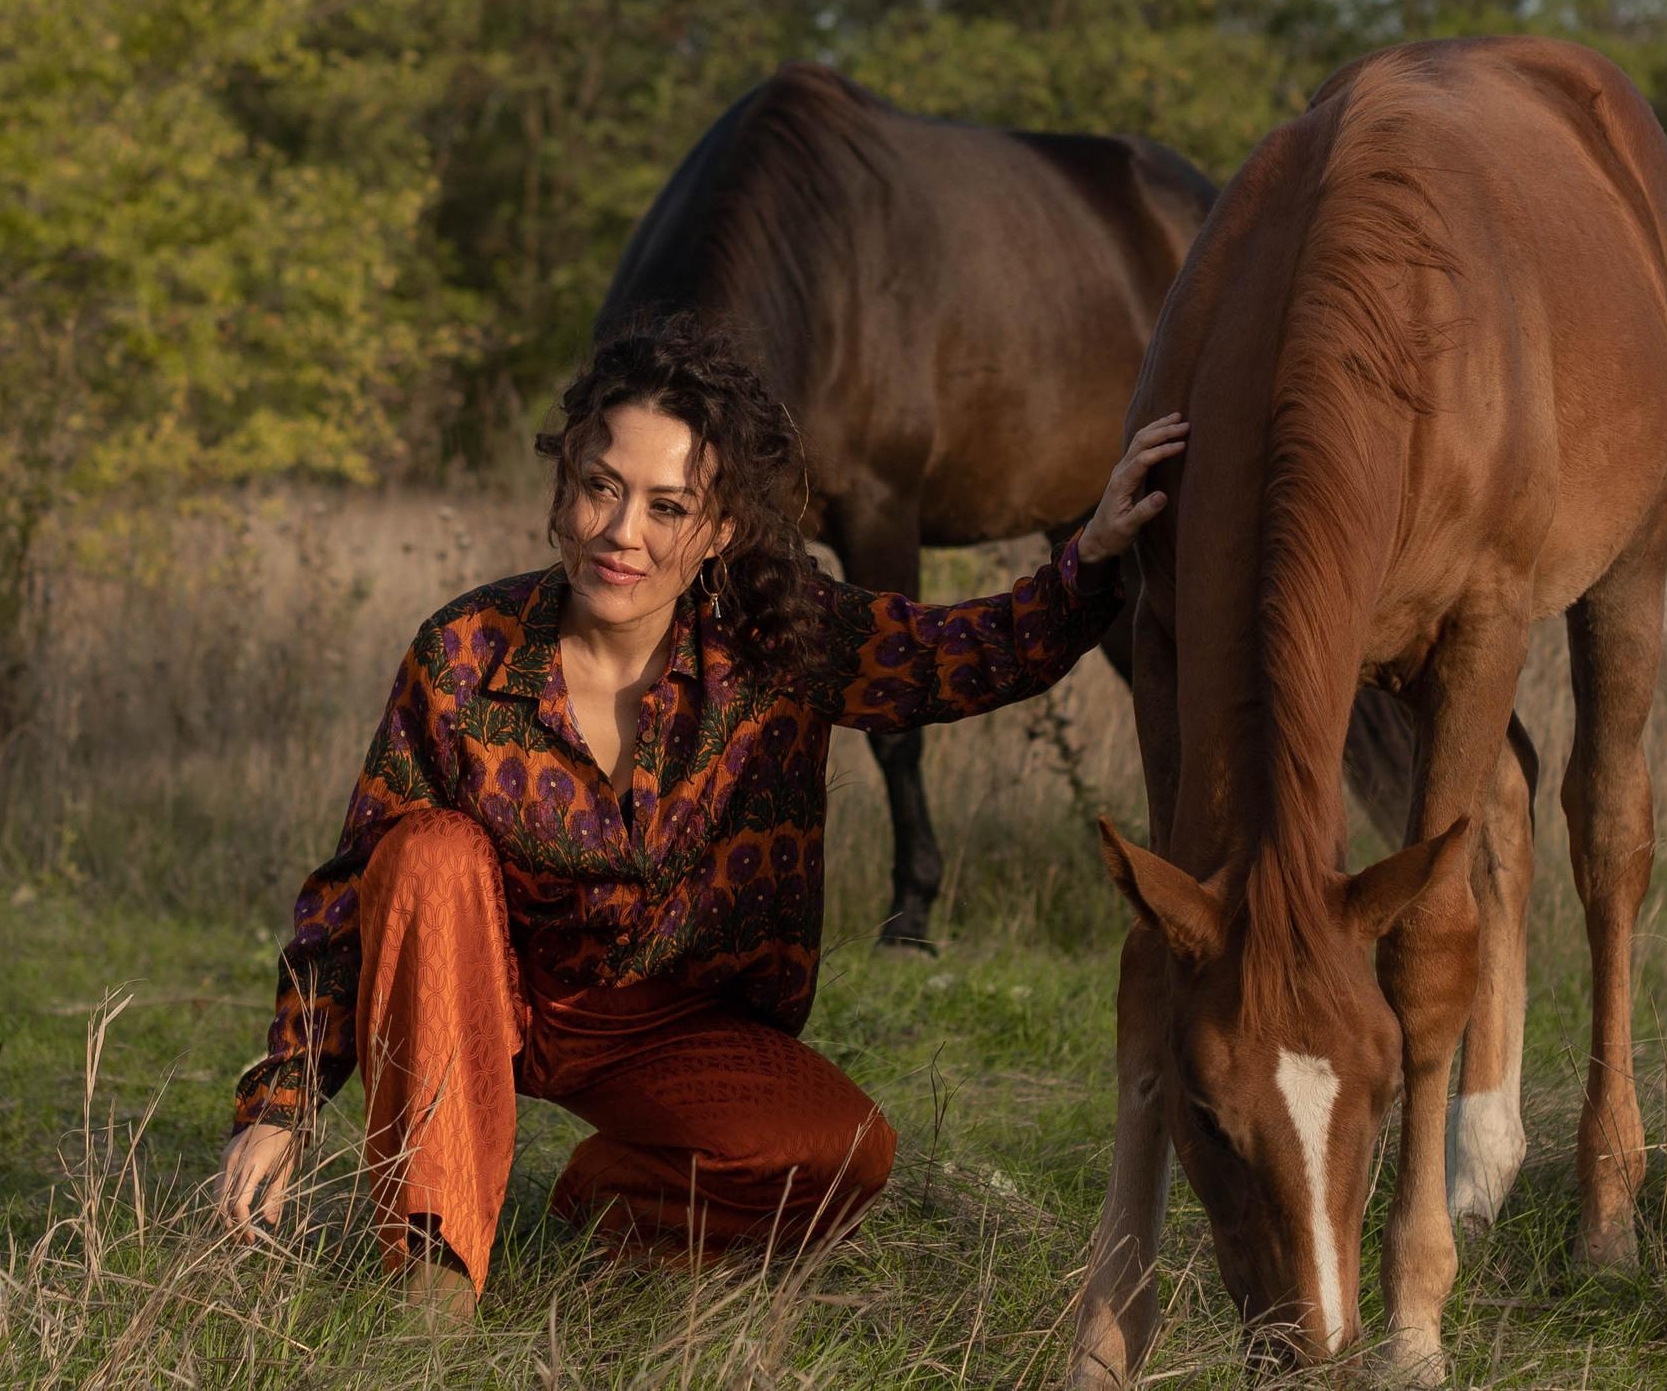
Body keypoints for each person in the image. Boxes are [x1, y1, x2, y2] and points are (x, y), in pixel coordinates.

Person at [215, 319, 1187, 1315]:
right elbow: (349, 898)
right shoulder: (464, 653)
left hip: (675, 1023)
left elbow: (956, 654)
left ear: (720, 528)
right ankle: (434, 1281)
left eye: (666, 505)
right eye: (599, 486)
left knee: (841, 1156)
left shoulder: (777, 637)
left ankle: (603, 1209)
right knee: (422, 852)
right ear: (563, 487)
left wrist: (1095, 553)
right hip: (480, 994)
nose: (619, 532)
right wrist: (282, 1106)